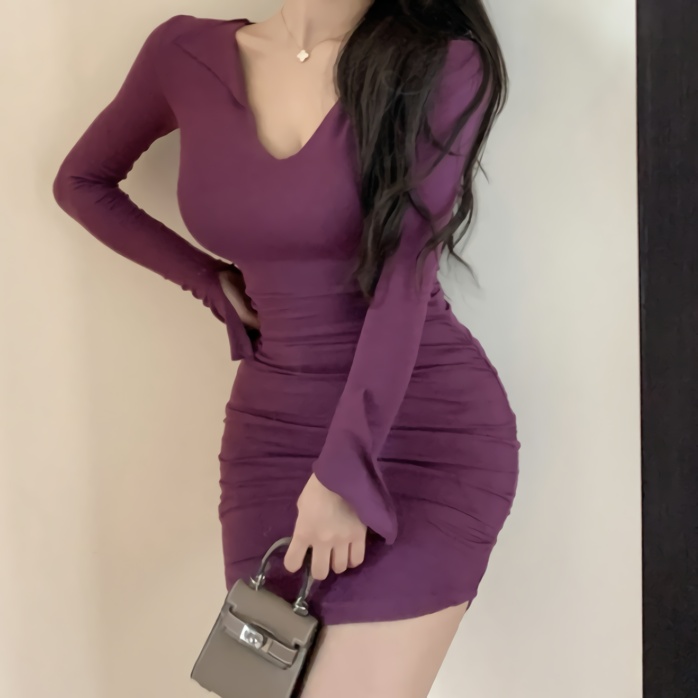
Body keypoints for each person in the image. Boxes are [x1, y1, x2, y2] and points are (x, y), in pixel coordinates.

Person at [52, 2, 520, 696]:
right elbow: (81, 183)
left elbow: (404, 276)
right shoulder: (182, 53)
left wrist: (345, 474)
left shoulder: (439, 61)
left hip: (417, 431)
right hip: (271, 435)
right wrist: (209, 281)